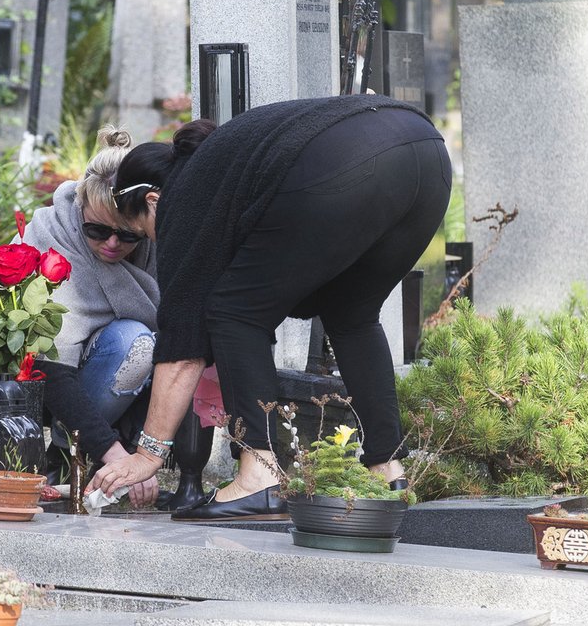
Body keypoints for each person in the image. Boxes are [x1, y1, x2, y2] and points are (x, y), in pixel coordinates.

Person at [86, 95, 451, 520]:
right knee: (352, 315)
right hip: (426, 154)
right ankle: (387, 470)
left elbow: (182, 345)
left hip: (350, 159)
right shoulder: (222, 171)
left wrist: (147, 456)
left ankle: (257, 475)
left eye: (142, 233)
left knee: (232, 312)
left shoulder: (181, 199)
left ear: (152, 201)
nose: (154, 243)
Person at [20, 126, 211, 510]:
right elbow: (47, 369)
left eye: (127, 236)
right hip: (52, 389)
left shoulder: (159, 241)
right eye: (96, 230)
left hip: (125, 394)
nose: (111, 244)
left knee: (180, 342)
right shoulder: (52, 236)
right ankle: (67, 454)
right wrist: (117, 456)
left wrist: (142, 454)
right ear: (79, 210)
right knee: (134, 341)